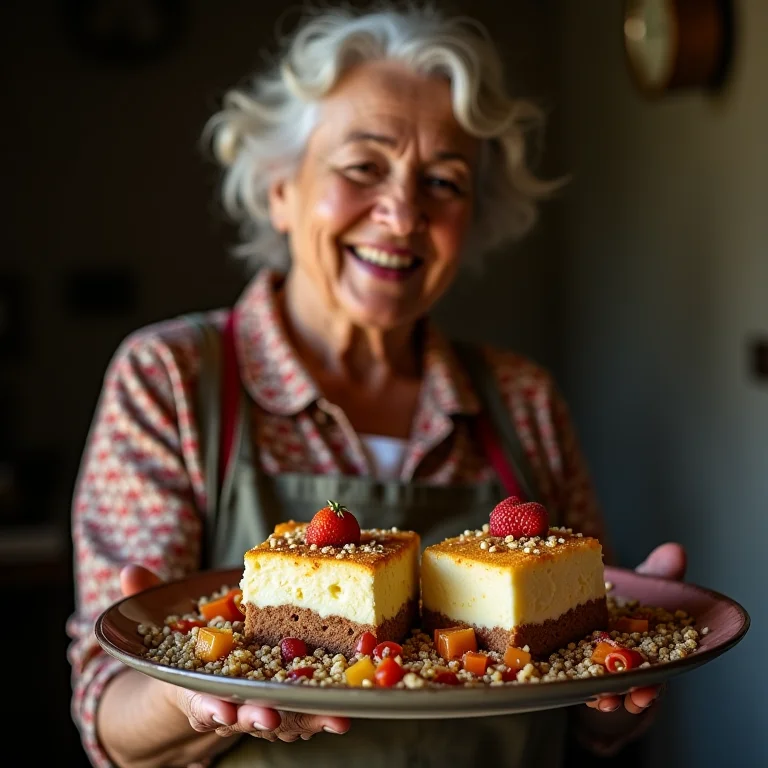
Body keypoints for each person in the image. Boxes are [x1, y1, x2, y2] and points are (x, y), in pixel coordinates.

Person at [66, 4, 687, 767]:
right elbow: (112, 724)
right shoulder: (170, 380)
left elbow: (582, 699)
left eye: (443, 181)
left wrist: (620, 689)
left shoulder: (522, 398)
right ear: (281, 190)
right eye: (362, 167)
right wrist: (195, 694)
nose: (402, 214)